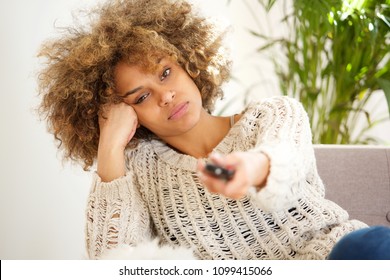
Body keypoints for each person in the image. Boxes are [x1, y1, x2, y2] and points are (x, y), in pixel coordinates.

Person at [37, 0, 390, 260]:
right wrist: (110, 147)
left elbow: (288, 160)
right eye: (142, 96)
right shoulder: (140, 169)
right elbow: (111, 262)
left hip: (338, 254)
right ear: (128, 113)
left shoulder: (273, 113)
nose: (166, 95)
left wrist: (251, 169)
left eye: (165, 73)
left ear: (188, 61)